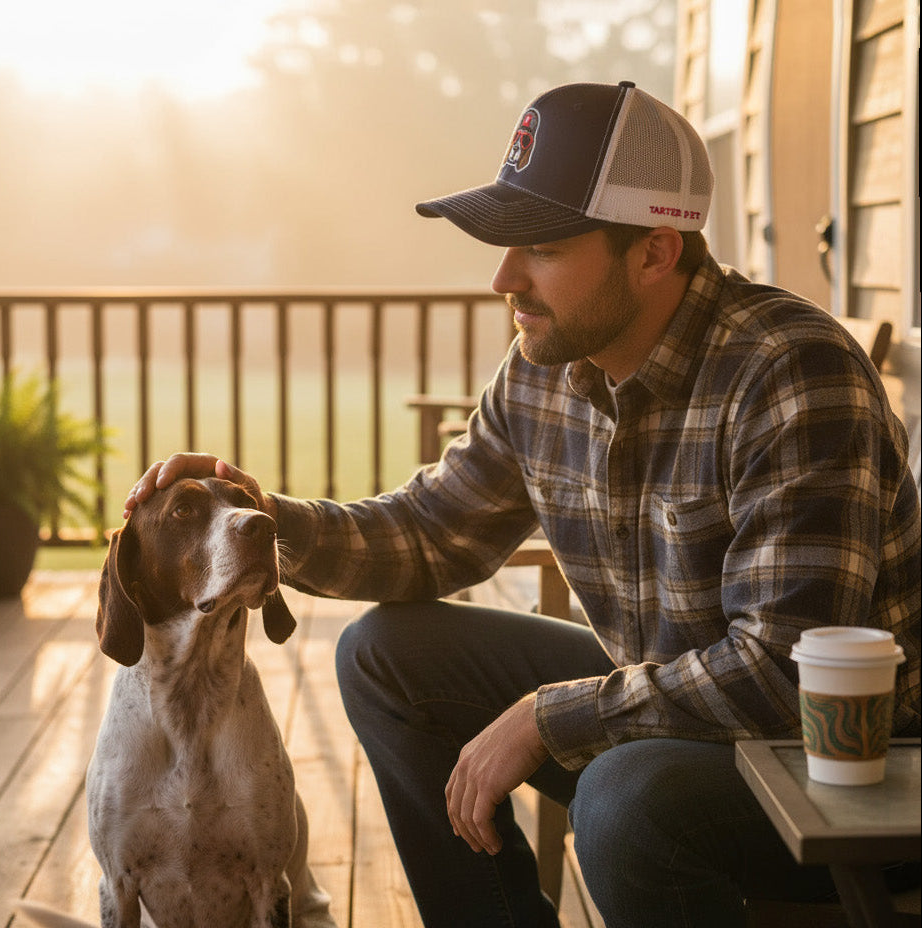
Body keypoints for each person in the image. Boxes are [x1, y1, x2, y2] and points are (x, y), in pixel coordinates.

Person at [125, 81, 921, 927]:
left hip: (853, 773)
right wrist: (261, 521)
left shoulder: (789, 373)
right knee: (386, 654)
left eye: (539, 247)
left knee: (621, 792)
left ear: (654, 251)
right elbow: (432, 534)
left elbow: (780, 673)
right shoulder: (542, 374)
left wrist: (548, 715)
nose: (503, 277)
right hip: (669, 720)